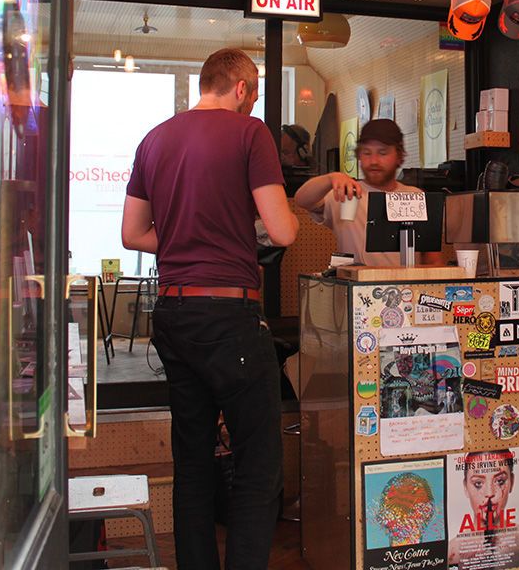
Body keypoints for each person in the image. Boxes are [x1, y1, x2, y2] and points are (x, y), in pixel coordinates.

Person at [120, 48, 298, 570]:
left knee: (193, 463)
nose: (253, 104)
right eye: (254, 94)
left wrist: (185, 240)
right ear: (241, 88)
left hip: (174, 314)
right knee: (258, 464)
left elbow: (132, 234)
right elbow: (283, 231)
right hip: (229, 316)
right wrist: (255, 227)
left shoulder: (154, 139)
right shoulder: (250, 134)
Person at [294, 118, 441, 265]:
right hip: (357, 279)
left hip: (408, 280)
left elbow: (432, 259)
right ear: (359, 155)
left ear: (399, 156)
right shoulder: (347, 194)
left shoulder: (415, 196)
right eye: (367, 153)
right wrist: (331, 178)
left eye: (382, 153)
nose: (374, 161)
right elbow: (302, 200)